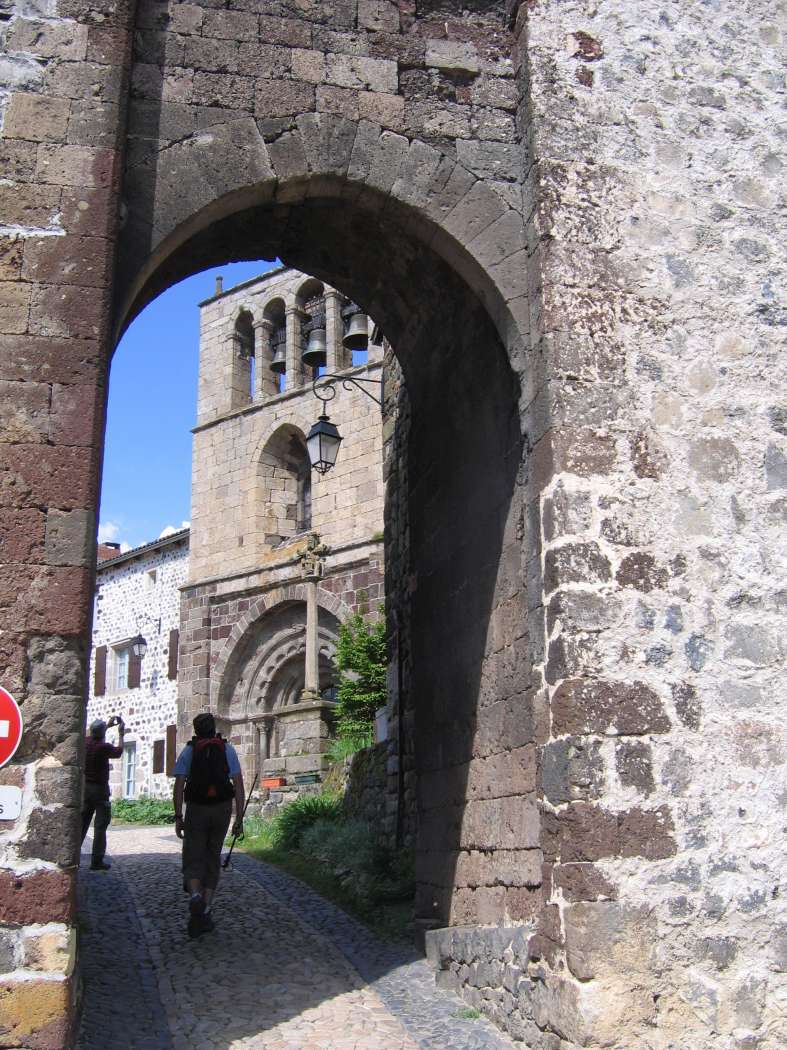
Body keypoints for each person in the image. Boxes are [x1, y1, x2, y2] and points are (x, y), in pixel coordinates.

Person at [173, 712, 245, 938]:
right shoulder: (227, 749)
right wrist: (239, 818)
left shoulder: (189, 751)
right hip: (221, 809)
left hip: (197, 808)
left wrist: (178, 816)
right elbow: (238, 783)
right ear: (214, 728)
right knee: (213, 856)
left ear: (196, 730)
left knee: (193, 855)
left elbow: (179, 785)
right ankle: (205, 909)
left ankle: (195, 895)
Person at [81, 715, 125, 871]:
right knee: (100, 826)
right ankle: (97, 860)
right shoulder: (103, 747)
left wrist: (107, 726)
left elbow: (95, 734)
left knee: (82, 824)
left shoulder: (85, 743)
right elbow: (118, 751)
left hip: (86, 789)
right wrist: (121, 734)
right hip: (100, 789)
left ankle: (73, 857)